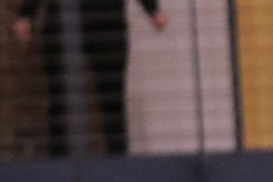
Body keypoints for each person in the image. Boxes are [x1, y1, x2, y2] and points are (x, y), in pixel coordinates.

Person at [14, 0, 168, 157]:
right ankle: (59, 162)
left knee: (112, 98)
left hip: (107, 22)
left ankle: (118, 162)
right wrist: (26, 13)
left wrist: (152, 10)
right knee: (60, 97)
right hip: (64, 22)